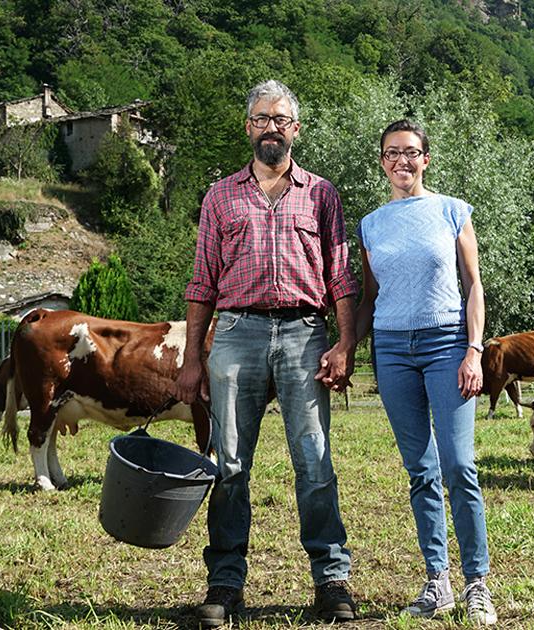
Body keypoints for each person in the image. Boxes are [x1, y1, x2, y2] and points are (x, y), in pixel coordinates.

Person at [173, 79, 360, 628]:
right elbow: (201, 283)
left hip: (305, 333)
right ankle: (225, 585)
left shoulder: (321, 193)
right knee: (230, 464)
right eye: (261, 118)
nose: (271, 127)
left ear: (295, 129)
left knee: (315, 462)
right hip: (236, 334)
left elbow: (341, 276)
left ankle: (331, 580)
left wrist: (345, 343)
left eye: (280, 119)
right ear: (248, 128)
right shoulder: (220, 197)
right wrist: (190, 360)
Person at [354, 119, 497, 625]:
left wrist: (474, 350)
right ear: (382, 162)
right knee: (421, 470)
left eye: (411, 152)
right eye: (392, 153)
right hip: (392, 350)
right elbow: (370, 299)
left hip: (447, 344)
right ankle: (438, 580)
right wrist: (345, 345)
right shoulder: (371, 224)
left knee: (459, 465)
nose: (402, 161)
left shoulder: (452, 211)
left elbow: (473, 285)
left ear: (425, 159)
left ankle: (477, 582)